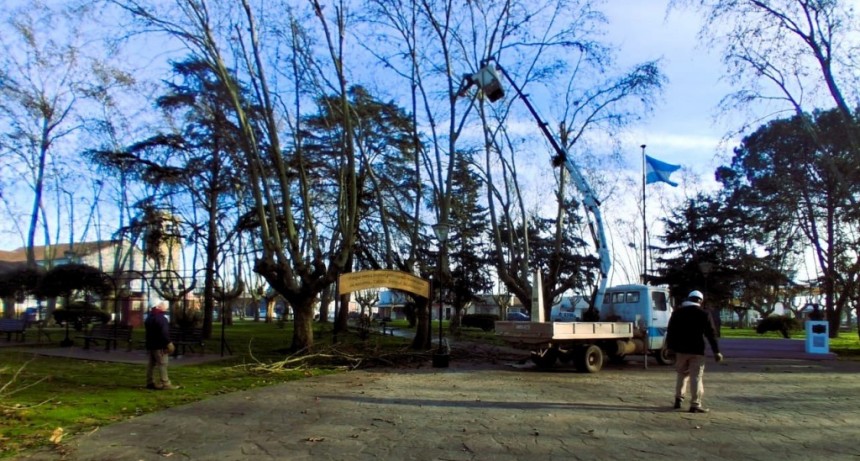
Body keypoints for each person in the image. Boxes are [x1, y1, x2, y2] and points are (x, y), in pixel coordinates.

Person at [666, 290, 723, 413]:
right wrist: (716, 351)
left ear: (689, 298)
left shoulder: (677, 313)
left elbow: (671, 332)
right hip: (697, 350)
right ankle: (695, 404)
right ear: (700, 301)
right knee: (696, 377)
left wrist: (670, 348)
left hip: (680, 350)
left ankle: (678, 399)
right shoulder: (704, 314)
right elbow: (711, 334)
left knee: (681, 374)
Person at [144, 301, 177, 390]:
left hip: (151, 344)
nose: (165, 306)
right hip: (160, 345)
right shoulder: (161, 318)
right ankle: (166, 383)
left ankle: (149, 382)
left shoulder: (149, 317)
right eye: (163, 304)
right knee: (163, 364)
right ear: (158, 306)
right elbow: (164, 333)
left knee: (151, 364)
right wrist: (168, 343)